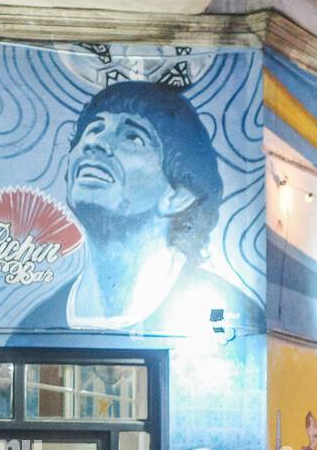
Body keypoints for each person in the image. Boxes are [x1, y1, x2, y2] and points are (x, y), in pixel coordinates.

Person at [23, 81, 262, 333]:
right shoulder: (35, 326)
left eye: (133, 137)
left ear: (178, 196)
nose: (95, 142)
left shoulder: (236, 320)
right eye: (94, 129)